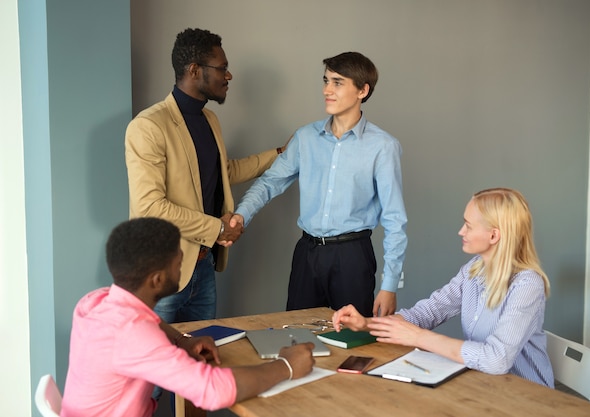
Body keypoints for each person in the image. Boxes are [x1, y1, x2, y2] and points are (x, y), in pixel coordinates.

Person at [61, 218, 314, 417]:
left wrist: (181, 340)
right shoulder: (133, 334)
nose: (182, 266)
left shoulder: (98, 301)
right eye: (178, 263)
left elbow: (149, 321)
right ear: (157, 279)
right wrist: (286, 366)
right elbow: (213, 390)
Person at [125, 28, 286, 323]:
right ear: (195, 70)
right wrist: (218, 229)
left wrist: (279, 153)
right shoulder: (148, 126)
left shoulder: (209, 119)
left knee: (203, 356)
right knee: (159, 366)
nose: (229, 76)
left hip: (203, 267)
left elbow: (225, 172)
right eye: (222, 68)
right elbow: (149, 208)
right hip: (161, 274)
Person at [231, 52, 407, 318]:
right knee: (298, 338)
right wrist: (240, 216)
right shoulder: (305, 138)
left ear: (362, 90)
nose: (327, 90)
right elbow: (270, 182)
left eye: (337, 82)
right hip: (307, 255)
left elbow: (395, 219)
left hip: (353, 258)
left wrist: (390, 284)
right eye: (326, 81)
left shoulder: (383, 146)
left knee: (350, 347)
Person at [333, 188, 554, 387]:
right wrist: (366, 324)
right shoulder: (473, 270)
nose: (461, 231)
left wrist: (418, 337)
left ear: (494, 235)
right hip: (483, 385)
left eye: (468, 225)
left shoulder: (527, 285)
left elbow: (496, 359)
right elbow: (427, 313)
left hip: (526, 396)